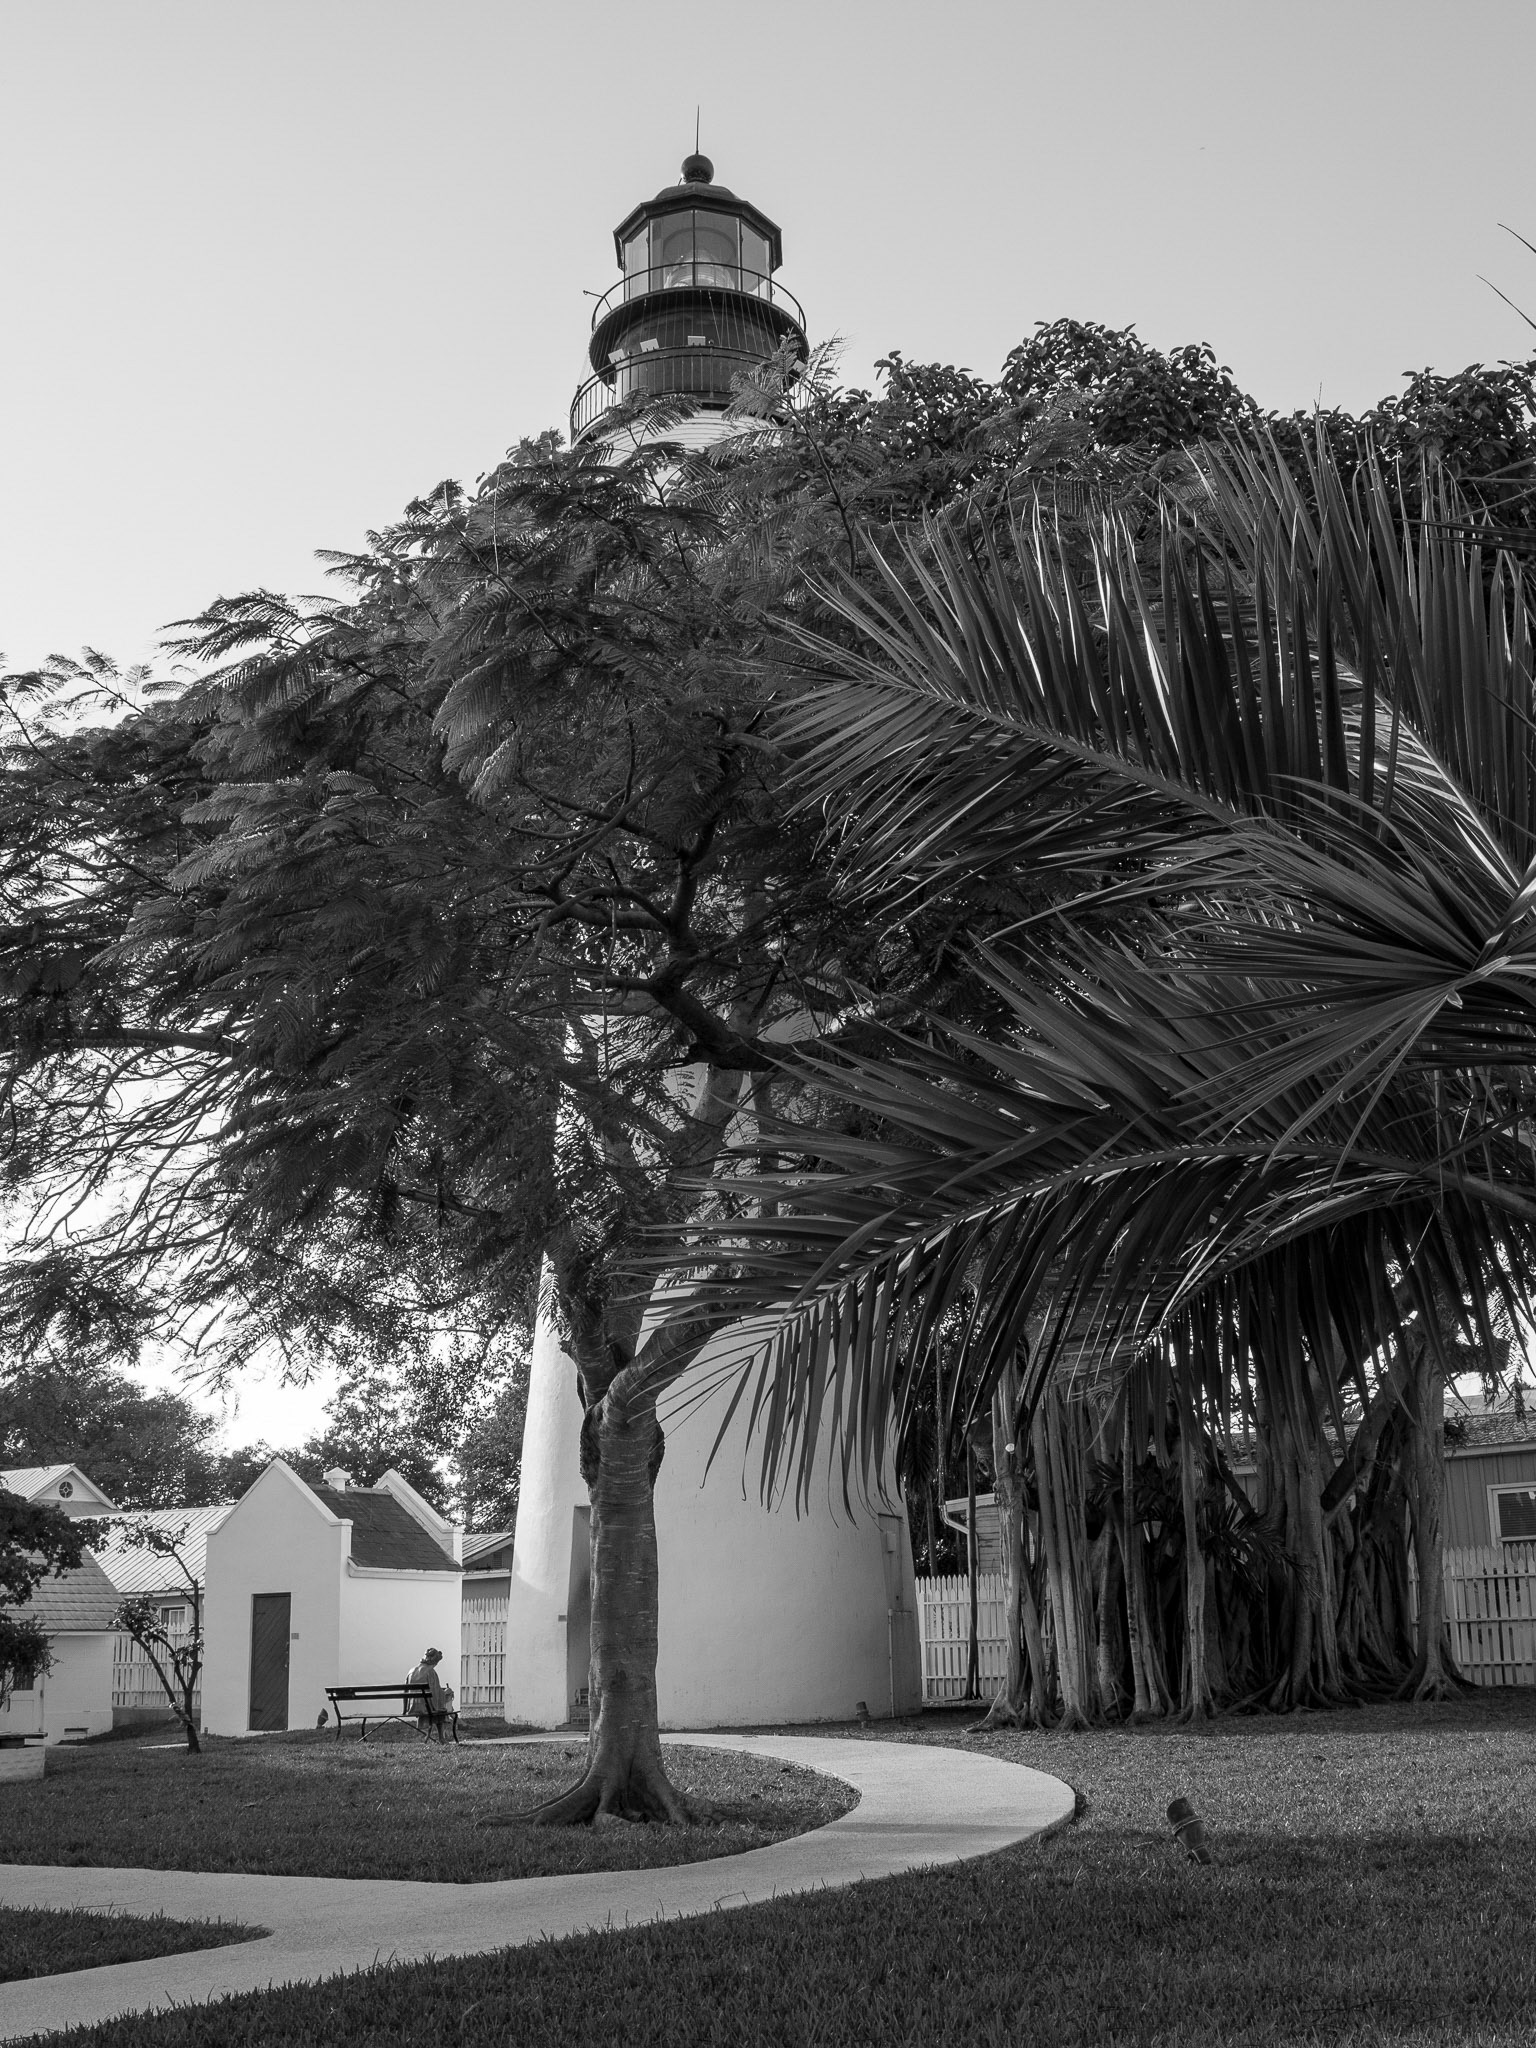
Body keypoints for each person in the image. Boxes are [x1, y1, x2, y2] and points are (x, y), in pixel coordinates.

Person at [406, 1646, 455, 1743]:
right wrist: (446, 1692)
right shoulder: (431, 1672)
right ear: (434, 1661)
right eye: (436, 1663)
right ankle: (442, 1738)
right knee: (442, 1708)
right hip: (426, 1707)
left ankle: (432, 1737)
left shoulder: (411, 1671)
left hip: (413, 1706)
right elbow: (436, 1695)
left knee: (437, 1706)